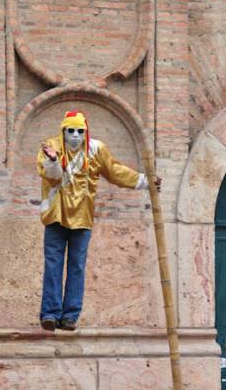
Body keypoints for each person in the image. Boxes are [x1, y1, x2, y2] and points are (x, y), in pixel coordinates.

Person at [38, 110, 161, 331]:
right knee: (53, 265)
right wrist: (54, 160)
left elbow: (115, 171)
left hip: (83, 217)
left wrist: (144, 181)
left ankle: (70, 316)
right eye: (70, 131)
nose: (75, 136)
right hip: (56, 215)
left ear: (86, 132)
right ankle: (50, 313)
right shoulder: (52, 146)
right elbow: (52, 177)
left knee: (77, 267)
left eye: (79, 131)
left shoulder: (96, 149)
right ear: (63, 131)